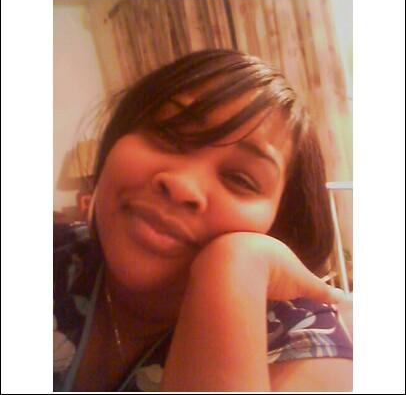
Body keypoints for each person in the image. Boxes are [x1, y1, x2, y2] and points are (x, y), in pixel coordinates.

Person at [53, 49, 353, 392]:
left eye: (241, 179)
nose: (182, 185)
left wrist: (239, 262)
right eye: (168, 136)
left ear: (278, 223)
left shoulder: (307, 341)